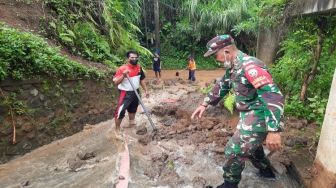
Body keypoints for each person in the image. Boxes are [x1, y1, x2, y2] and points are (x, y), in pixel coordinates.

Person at [191, 34, 284, 188]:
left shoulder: (250, 66)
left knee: (233, 151)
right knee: (252, 149)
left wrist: (274, 130)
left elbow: (272, 96)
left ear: (227, 51)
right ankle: (267, 174)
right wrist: (205, 103)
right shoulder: (234, 66)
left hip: (260, 113)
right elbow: (223, 85)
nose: (216, 59)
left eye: (216, 55)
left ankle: (229, 185)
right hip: (249, 114)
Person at [112, 50, 149, 139]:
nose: (134, 59)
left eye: (136, 57)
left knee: (133, 108)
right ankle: (117, 129)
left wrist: (146, 90)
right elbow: (115, 82)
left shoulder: (139, 68)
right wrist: (123, 76)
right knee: (120, 111)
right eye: (132, 57)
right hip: (125, 92)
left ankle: (131, 124)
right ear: (128, 58)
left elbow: (142, 80)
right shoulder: (122, 69)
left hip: (136, 92)